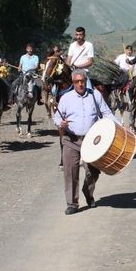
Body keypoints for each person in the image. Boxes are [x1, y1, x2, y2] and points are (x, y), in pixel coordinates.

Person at [53, 69, 120, 215]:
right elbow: (57, 117)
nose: (80, 84)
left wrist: (120, 126)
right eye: (76, 82)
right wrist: (60, 124)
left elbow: (107, 113)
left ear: (85, 81)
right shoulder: (65, 98)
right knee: (70, 172)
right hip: (71, 139)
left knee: (94, 172)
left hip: (92, 140)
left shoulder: (95, 95)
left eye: (82, 81)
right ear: (73, 83)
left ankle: (88, 192)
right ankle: (72, 204)